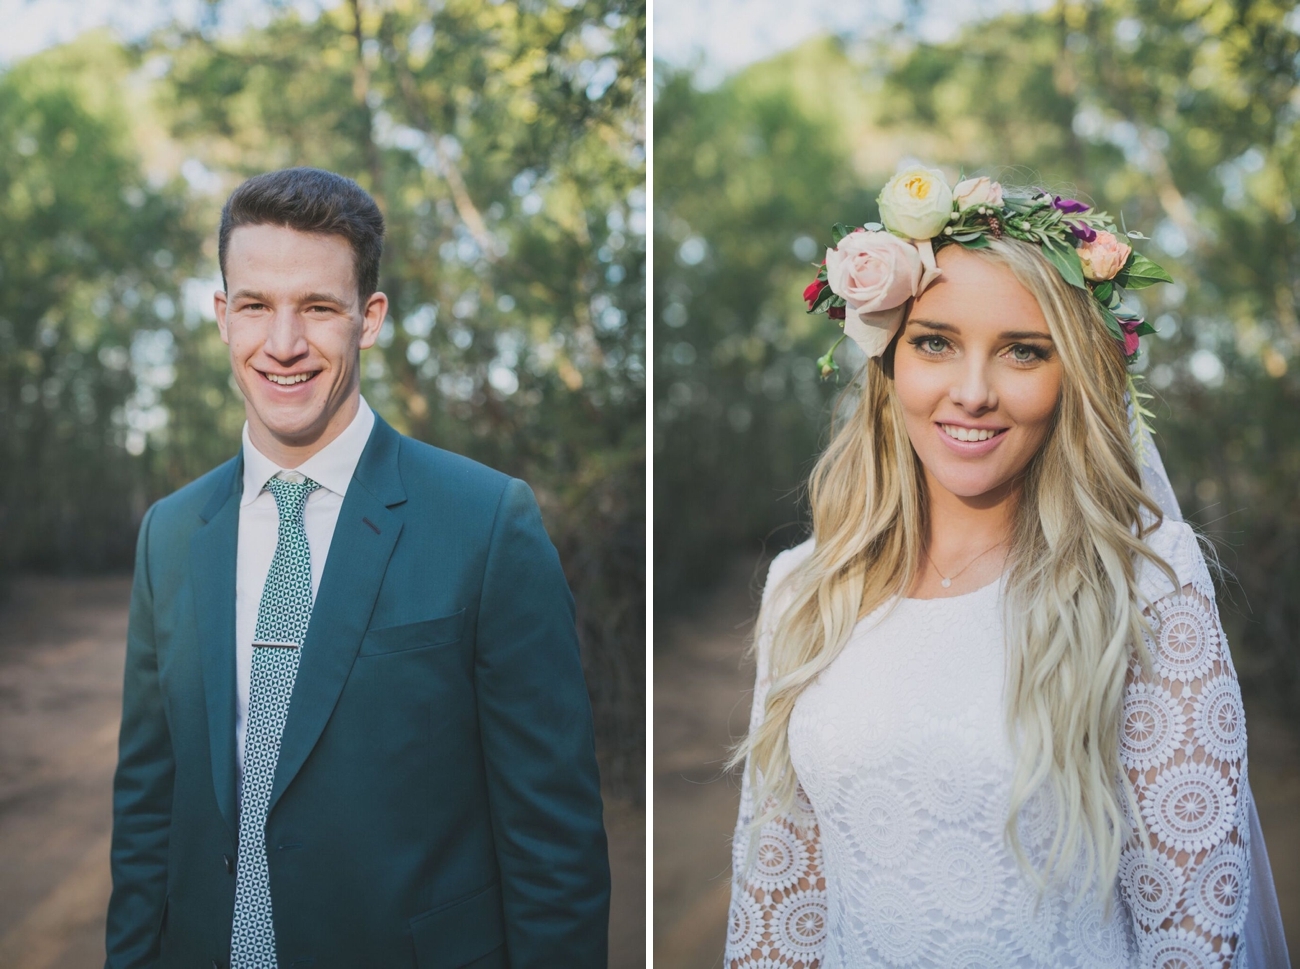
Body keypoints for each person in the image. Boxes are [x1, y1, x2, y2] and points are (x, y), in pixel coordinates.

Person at [725, 168, 1289, 968]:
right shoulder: (805, 586)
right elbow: (780, 897)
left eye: (1024, 352)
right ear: (888, 365)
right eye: (935, 343)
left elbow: (1194, 929)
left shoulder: (1143, 581)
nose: (973, 391)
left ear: (1074, 377)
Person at [105, 167, 610, 969]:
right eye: (255, 305)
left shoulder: (486, 522)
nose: (282, 344)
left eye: (317, 307)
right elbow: (145, 813)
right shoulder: (169, 534)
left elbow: (553, 844)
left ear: (368, 318)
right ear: (220, 314)